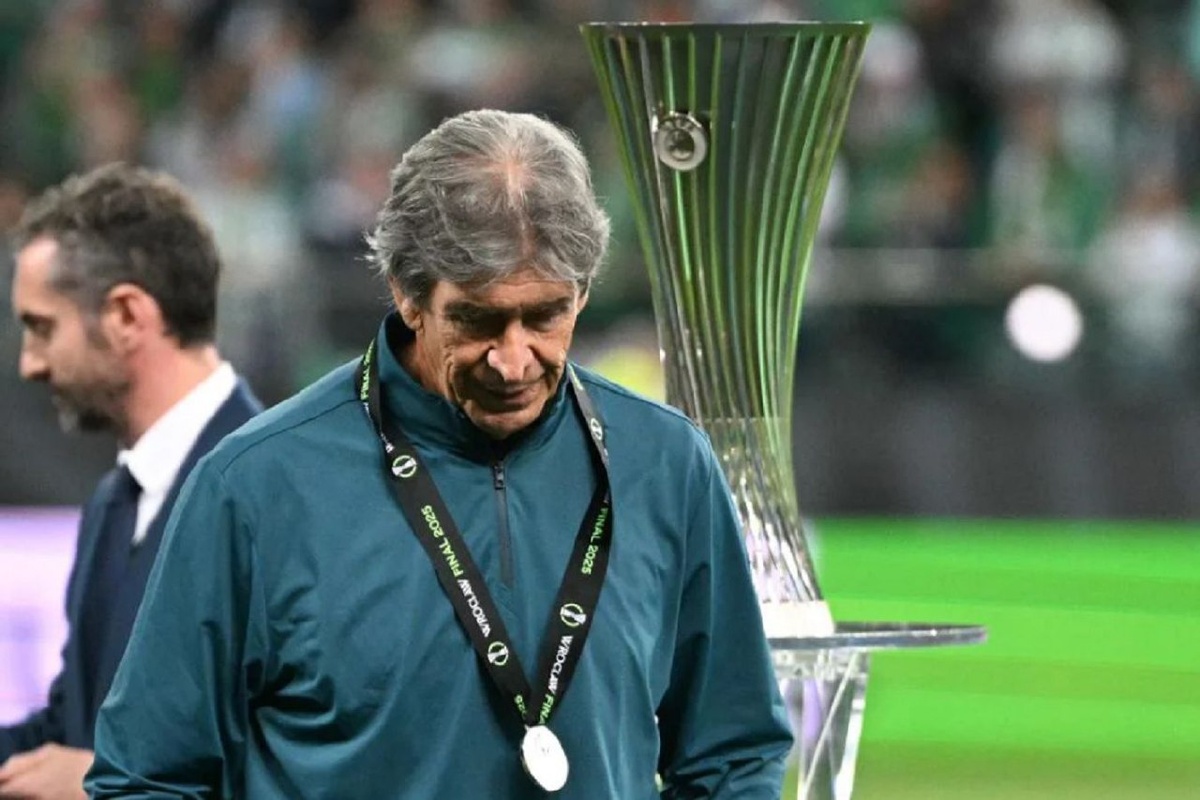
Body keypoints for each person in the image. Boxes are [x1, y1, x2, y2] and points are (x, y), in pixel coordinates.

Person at [85, 110, 792, 799]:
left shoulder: (666, 462)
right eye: (479, 320)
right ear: (407, 293)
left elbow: (733, 757)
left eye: (545, 316)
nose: (514, 360)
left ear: (582, 294)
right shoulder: (255, 486)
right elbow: (145, 777)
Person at [0, 163, 261, 800]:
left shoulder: (273, 494)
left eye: (42, 328)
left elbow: (313, 761)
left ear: (125, 315)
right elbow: (73, 727)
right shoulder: (114, 502)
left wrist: (106, 787)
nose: (30, 363)